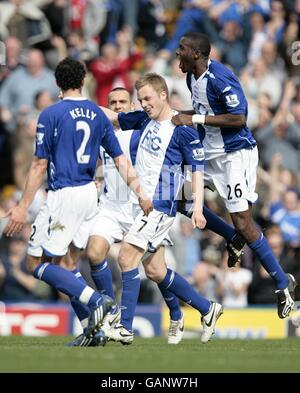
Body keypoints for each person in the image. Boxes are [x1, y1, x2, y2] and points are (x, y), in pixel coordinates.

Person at [2, 57, 152, 344]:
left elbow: (38, 166)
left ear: (57, 84)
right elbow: (120, 160)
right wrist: (140, 192)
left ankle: (97, 300)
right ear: (84, 81)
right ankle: (91, 330)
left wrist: (22, 206)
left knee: (36, 264)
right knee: (69, 264)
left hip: (64, 194)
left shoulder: (51, 114)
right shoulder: (97, 114)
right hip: (90, 195)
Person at [172, 32, 297, 319]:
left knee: (243, 219)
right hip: (210, 152)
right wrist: (183, 113)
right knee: (178, 195)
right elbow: (206, 110)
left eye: (182, 49)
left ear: (196, 54)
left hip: (234, 154)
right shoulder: (193, 78)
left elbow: (239, 117)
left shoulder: (221, 77)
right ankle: (232, 237)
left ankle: (282, 282)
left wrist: (194, 118)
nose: (177, 54)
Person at [102, 73, 223, 345]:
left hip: (160, 206)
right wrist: (80, 106)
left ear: (163, 95)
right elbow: (113, 118)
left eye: (148, 98)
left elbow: (196, 170)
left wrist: (198, 209)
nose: (143, 103)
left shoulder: (181, 128)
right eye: (141, 99)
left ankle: (125, 327)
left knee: (126, 258)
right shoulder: (145, 118)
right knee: (156, 271)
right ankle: (207, 308)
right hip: (141, 206)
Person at [66, 87, 185, 346]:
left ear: (131, 105)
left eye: (123, 102)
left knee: (155, 270)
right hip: (111, 208)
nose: (118, 105)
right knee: (95, 252)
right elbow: (97, 164)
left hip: (141, 208)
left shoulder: (142, 133)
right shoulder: (100, 134)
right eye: (113, 102)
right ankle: (111, 313)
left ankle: (176, 312)